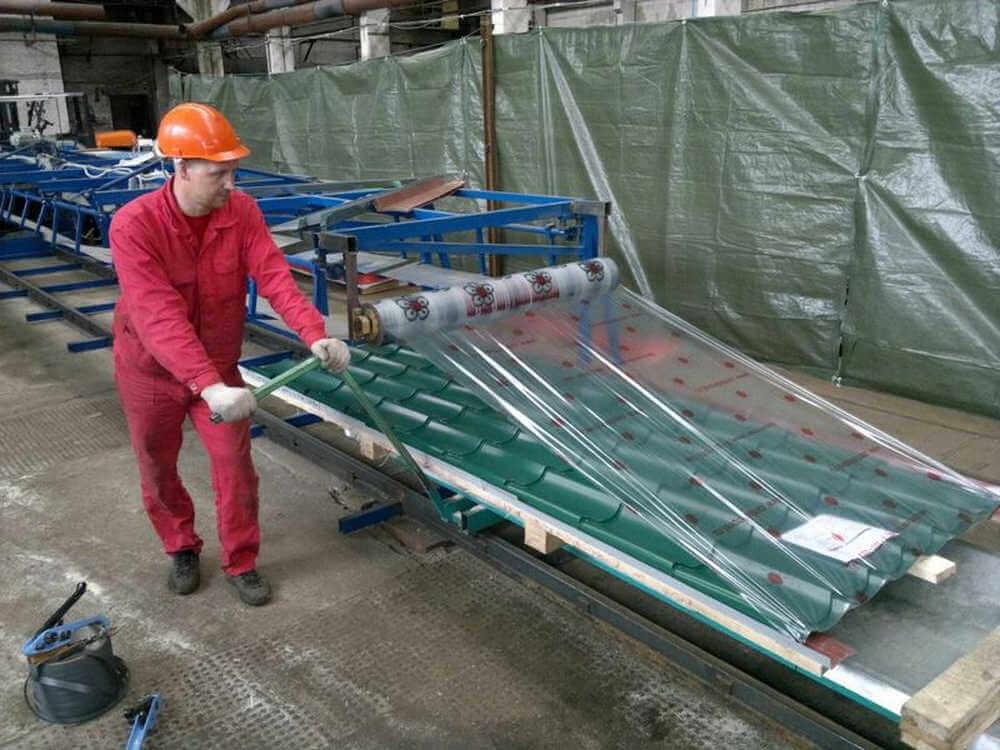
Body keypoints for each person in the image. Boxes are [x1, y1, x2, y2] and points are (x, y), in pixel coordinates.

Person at [110, 102, 349, 606]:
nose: (230, 184)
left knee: (235, 465)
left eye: (234, 171)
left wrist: (314, 334)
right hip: (151, 372)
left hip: (218, 364)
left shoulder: (241, 213)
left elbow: (274, 275)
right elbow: (156, 314)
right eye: (218, 173)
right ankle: (181, 545)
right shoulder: (134, 226)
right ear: (181, 168)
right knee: (156, 464)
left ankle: (241, 560)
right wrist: (208, 385)